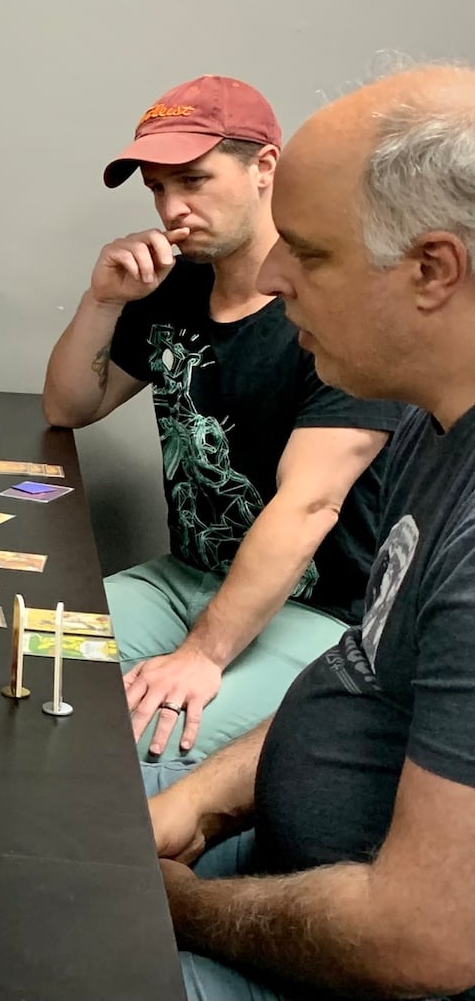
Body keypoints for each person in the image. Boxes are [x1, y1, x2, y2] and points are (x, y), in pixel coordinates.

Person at [147, 65, 475, 1001]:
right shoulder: (427, 421)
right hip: (280, 857)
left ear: (431, 270)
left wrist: (185, 908)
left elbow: (424, 942)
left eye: (313, 253)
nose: (276, 277)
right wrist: (198, 799)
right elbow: (359, 680)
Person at [41, 75, 401, 760]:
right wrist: (103, 300)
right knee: (24, 663)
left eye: (193, 180)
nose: (173, 207)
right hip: (183, 577)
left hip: (314, 616)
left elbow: (311, 504)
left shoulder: (334, 307)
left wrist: (201, 655)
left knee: (142, 753)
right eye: (157, 188)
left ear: (265, 166)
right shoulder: (173, 286)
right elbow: (69, 406)